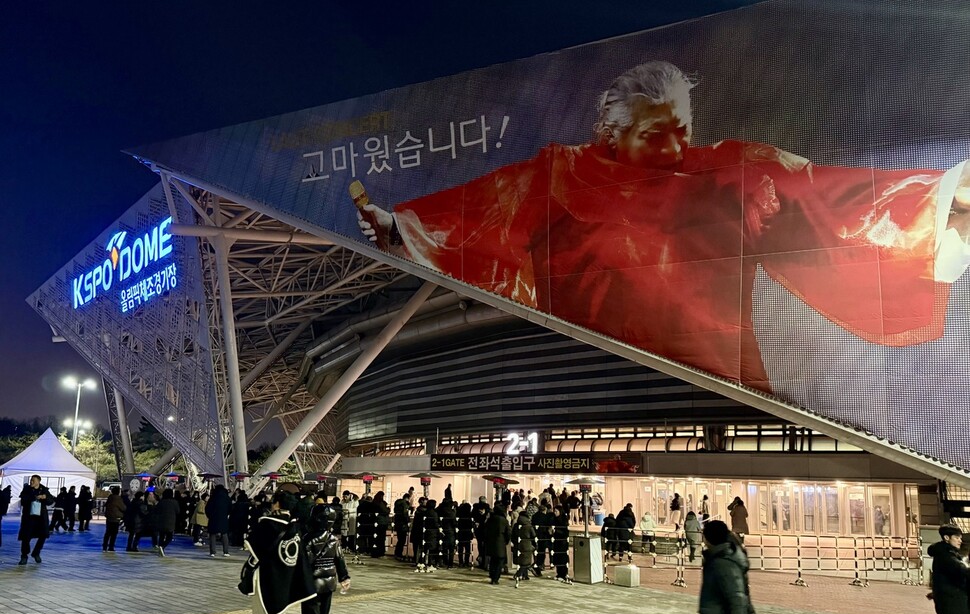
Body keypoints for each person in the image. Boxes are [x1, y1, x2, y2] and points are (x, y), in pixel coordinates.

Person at [358, 60, 970, 394]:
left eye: (683, 127)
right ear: (612, 134)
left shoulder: (730, 169)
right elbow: (477, 213)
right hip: (587, 376)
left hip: (721, 378)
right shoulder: (557, 175)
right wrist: (395, 225)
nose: (678, 146)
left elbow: (825, 196)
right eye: (656, 134)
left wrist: (938, 199)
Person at [239, 492, 315, 614]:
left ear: (277, 505)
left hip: (266, 575)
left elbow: (251, 548)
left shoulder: (267, 524)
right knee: (277, 611)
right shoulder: (295, 527)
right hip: (286, 577)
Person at [300, 502, 351, 614]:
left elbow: (303, 563)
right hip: (329, 584)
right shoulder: (334, 539)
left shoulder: (307, 538)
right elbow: (340, 559)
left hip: (312, 584)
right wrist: (344, 577)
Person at [18, 475, 51, 564]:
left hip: (41, 518)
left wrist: (45, 497)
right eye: (31, 480)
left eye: (33, 480)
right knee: (26, 537)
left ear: (38, 481)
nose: (31, 482)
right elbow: (23, 501)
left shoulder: (44, 490)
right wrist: (35, 496)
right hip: (29, 518)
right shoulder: (27, 489)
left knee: (43, 535)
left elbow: (50, 501)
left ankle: (36, 553)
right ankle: (24, 556)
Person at [483, 503, 510, 584]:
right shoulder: (504, 520)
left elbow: (485, 530)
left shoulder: (490, 519)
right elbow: (508, 532)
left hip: (491, 542)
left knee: (492, 560)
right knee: (499, 561)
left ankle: (492, 576)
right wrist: (506, 541)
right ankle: (495, 578)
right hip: (501, 543)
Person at [511, 509, 536, 587]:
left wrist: (515, 543)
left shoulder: (516, 525)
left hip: (518, 545)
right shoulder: (529, 525)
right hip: (527, 545)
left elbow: (513, 536)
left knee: (521, 561)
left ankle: (525, 575)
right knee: (525, 562)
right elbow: (533, 536)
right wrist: (535, 545)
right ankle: (518, 574)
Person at [206, 484, 232, 557]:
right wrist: (226, 514)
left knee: (212, 535)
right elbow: (231, 508)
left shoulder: (213, 497)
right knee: (224, 534)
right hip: (223, 518)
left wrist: (210, 516)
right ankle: (226, 551)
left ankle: (212, 552)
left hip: (213, 518)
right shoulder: (227, 498)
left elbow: (207, 509)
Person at [154, 488, 179, 557]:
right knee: (169, 537)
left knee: (161, 536)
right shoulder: (174, 502)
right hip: (171, 522)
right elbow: (178, 511)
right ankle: (163, 546)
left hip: (161, 521)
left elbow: (156, 510)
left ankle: (160, 547)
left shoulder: (162, 502)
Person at [551, 507, 571, 583]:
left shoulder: (564, 520)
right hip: (556, 541)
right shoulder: (554, 519)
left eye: (556, 511)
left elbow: (565, 532)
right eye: (554, 511)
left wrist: (556, 530)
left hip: (562, 542)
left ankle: (563, 574)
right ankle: (559, 573)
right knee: (557, 557)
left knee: (562, 558)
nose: (555, 512)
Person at [102, 486, 125, 551]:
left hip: (109, 517)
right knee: (114, 533)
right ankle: (111, 546)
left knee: (108, 532)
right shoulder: (118, 498)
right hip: (116, 518)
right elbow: (123, 508)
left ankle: (105, 545)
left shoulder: (110, 497)